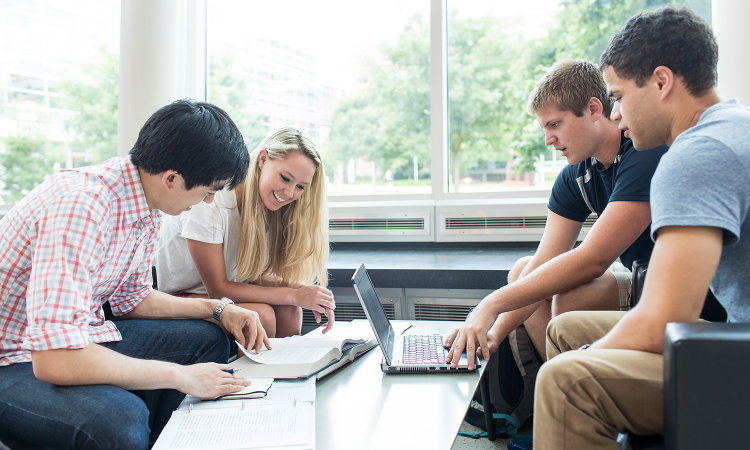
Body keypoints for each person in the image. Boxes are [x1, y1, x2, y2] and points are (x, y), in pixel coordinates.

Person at [533, 6, 750, 449]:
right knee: (564, 329)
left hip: (739, 352)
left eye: (618, 95)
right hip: (734, 328)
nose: (614, 113)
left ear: (662, 82)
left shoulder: (695, 155)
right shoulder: (732, 125)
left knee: (565, 382)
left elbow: (662, 322)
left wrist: (590, 359)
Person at [0, 99, 271, 449]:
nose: (206, 202)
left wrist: (219, 308)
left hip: (75, 336)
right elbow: (55, 358)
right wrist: (181, 376)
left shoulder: (146, 201)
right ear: (172, 178)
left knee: (210, 337)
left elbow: (132, 300)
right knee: (118, 418)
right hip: (15, 357)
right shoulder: (82, 205)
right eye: (208, 191)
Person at [445, 59, 668, 365]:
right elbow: (543, 262)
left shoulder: (642, 150)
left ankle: (566, 386)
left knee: (567, 298)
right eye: (544, 128)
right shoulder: (576, 174)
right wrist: (493, 335)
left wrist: (491, 304)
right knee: (523, 271)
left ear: (593, 109)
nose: (548, 139)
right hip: (635, 274)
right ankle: (550, 380)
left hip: (660, 285)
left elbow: (593, 260)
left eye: (555, 124)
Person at [155, 126, 334, 338]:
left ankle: (292, 371)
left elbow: (254, 275)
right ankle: (254, 372)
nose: (289, 193)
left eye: (301, 187)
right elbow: (218, 290)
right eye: (285, 178)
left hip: (221, 296)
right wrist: (293, 295)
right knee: (262, 315)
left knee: (290, 311)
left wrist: (308, 295)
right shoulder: (211, 200)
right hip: (183, 297)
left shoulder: (267, 205)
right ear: (263, 159)